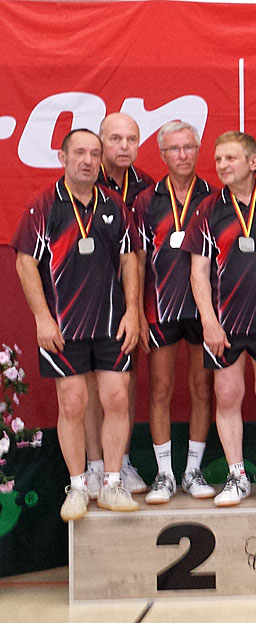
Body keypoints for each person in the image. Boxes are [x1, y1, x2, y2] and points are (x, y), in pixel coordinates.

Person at [12, 128, 141, 521]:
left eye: (94, 154)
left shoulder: (114, 206)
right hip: (63, 326)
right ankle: (78, 486)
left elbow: (130, 260)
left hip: (111, 324)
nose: (87, 160)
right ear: (63, 158)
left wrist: (133, 311)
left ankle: (113, 483)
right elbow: (25, 263)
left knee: (116, 399)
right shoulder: (44, 206)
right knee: (72, 403)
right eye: (79, 153)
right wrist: (42, 317)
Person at [183, 131, 256, 507]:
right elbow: (198, 272)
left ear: (253, 162)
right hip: (225, 323)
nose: (223, 165)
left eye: (231, 158)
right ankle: (237, 476)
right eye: (218, 159)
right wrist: (209, 322)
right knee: (227, 396)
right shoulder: (208, 209)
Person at [132, 121, 216, 504]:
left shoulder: (213, 198)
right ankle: (164, 474)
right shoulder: (146, 201)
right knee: (161, 389)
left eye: (188, 148)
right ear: (162, 154)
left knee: (202, 389)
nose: (182, 155)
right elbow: (135, 260)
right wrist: (137, 310)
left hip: (202, 310)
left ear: (198, 150)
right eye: (174, 149)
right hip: (160, 307)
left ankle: (192, 471)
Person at [83, 112, 155, 497]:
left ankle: (121, 462)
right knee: (90, 383)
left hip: (129, 297)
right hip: (86, 296)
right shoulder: (83, 182)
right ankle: (94, 467)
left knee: (124, 382)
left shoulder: (146, 188)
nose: (124, 146)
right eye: (115, 139)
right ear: (101, 141)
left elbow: (142, 253)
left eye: (131, 139)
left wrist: (137, 308)